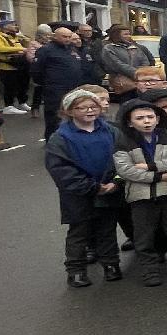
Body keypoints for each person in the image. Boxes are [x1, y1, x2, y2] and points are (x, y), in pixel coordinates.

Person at [113, 98, 167, 286]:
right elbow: (125, 170)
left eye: (150, 117)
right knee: (144, 236)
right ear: (129, 122)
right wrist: (158, 176)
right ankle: (150, 270)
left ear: (157, 119)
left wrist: (149, 166)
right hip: (140, 197)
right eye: (140, 118)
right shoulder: (123, 142)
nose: (146, 121)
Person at [46, 88, 123, 287]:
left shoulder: (111, 131)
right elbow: (60, 169)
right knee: (79, 233)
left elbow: (122, 157)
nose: (89, 111)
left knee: (107, 229)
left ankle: (111, 264)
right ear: (69, 111)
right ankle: (76, 271)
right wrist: (91, 187)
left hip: (109, 189)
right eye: (82, 108)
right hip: (78, 195)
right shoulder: (61, 137)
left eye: (93, 106)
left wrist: (116, 181)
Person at [33, 23, 102, 139]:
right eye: (64, 36)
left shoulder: (71, 49)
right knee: (55, 117)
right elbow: (36, 70)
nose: (68, 39)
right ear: (55, 37)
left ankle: (71, 139)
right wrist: (48, 83)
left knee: (73, 115)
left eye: (69, 37)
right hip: (55, 89)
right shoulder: (46, 50)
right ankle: (52, 141)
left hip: (74, 87)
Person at [0, 18, 31, 114]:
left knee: (23, 85)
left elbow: (29, 43)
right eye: (13, 24)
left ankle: (22, 102)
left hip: (20, 65)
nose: (15, 26)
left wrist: (23, 37)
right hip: (7, 67)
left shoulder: (15, 37)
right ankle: (9, 106)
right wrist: (20, 49)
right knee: (9, 87)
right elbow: (0, 48)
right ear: (5, 26)